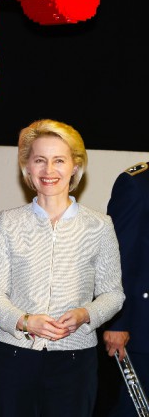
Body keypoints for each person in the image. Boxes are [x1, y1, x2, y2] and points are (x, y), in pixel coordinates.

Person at [0, 119, 125, 417]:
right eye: (40, 161)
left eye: (59, 160)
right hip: (15, 359)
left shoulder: (99, 225)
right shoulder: (9, 222)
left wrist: (86, 315)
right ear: (28, 168)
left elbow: (113, 295)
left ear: (75, 166)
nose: (49, 170)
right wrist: (24, 321)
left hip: (75, 361)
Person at [103, 161, 149, 416]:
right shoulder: (137, 183)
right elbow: (117, 257)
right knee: (135, 409)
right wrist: (117, 322)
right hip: (144, 329)